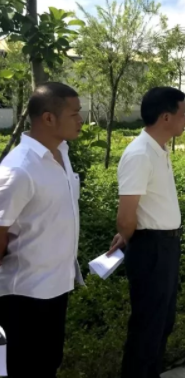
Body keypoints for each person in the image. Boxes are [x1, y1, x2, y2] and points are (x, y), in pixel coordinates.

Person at [0, 82, 83, 378]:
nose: (81, 120)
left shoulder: (61, 152)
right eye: (74, 114)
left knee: (48, 364)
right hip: (25, 295)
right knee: (25, 369)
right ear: (48, 118)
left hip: (57, 286)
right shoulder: (19, 169)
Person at [110, 87, 185, 378]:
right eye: (183, 113)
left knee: (162, 322)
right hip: (150, 248)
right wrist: (127, 235)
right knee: (147, 326)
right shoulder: (140, 154)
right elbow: (126, 215)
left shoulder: (158, 149)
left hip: (165, 247)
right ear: (166, 117)